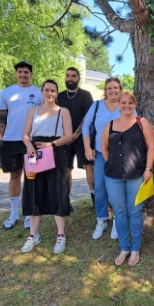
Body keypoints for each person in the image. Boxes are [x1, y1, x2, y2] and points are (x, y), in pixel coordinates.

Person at [101, 92, 154, 267]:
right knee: (120, 212)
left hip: (137, 175)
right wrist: (112, 163)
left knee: (135, 212)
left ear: (135, 104)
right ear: (118, 105)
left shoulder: (142, 123)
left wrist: (148, 168)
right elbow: (104, 148)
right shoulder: (110, 125)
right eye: (123, 102)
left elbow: (151, 147)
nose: (126, 105)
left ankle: (135, 249)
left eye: (130, 102)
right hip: (113, 177)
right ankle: (124, 248)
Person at [20, 80, 73, 253]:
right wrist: (29, 146)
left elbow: (69, 136)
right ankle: (33, 234)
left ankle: (60, 235)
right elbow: (25, 134)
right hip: (34, 155)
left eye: (53, 90)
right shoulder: (33, 110)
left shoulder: (63, 112)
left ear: (57, 93)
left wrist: (52, 144)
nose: (50, 93)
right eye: (47, 90)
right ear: (42, 92)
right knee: (34, 192)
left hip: (55, 153)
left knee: (58, 192)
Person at [0, 61, 42, 230]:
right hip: (10, 141)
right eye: (20, 72)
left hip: (31, 142)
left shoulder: (38, 93)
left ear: (31, 74)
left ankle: (30, 214)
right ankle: (14, 213)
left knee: (31, 176)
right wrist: (0, 138)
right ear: (16, 73)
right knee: (14, 176)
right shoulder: (6, 93)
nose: (23, 74)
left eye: (26, 72)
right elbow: (1, 117)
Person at [82, 77, 128, 240]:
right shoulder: (96, 106)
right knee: (99, 186)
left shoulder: (126, 105)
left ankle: (117, 221)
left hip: (121, 156)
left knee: (118, 188)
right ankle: (102, 220)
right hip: (101, 154)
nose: (113, 91)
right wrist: (87, 147)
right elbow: (86, 126)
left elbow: (136, 125)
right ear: (105, 90)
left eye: (115, 88)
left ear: (120, 89)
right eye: (109, 88)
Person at [57, 67, 95, 207]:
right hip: (64, 138)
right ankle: (65, 200)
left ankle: (95, 198)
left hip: (82, 138)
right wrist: (65, 136)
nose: (70, 78)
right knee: (65, 169)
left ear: (78, 78)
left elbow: (88, 117)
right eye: (67, 76)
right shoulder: (59, 96)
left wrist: (75, 135)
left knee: (89, 166)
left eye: (73, 76)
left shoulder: (85, 95)